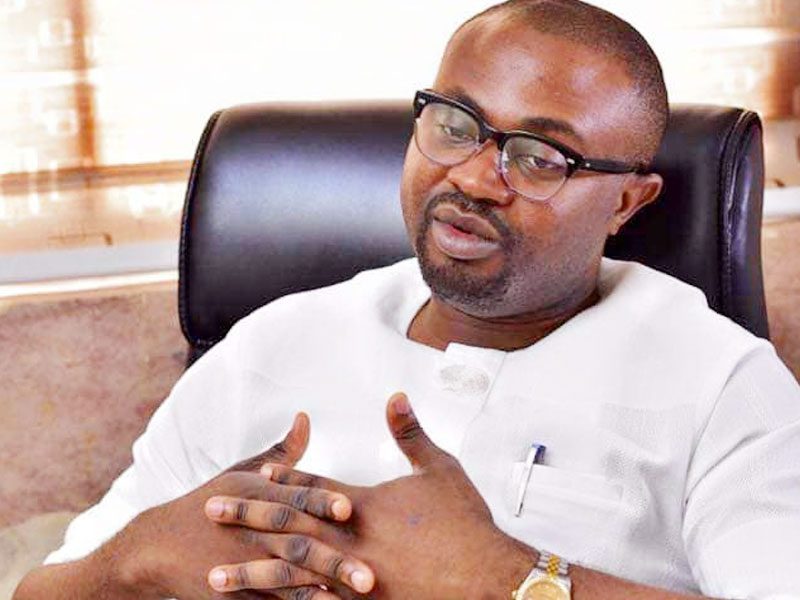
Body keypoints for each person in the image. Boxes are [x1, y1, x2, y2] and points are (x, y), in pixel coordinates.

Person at [14, 0, 800, 598]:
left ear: (628, 201)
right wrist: (139, 558)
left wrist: (508, 577)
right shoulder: (272, 342)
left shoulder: (724, 385)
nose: (473, 178)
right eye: (456, 125)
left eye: (539, 157)